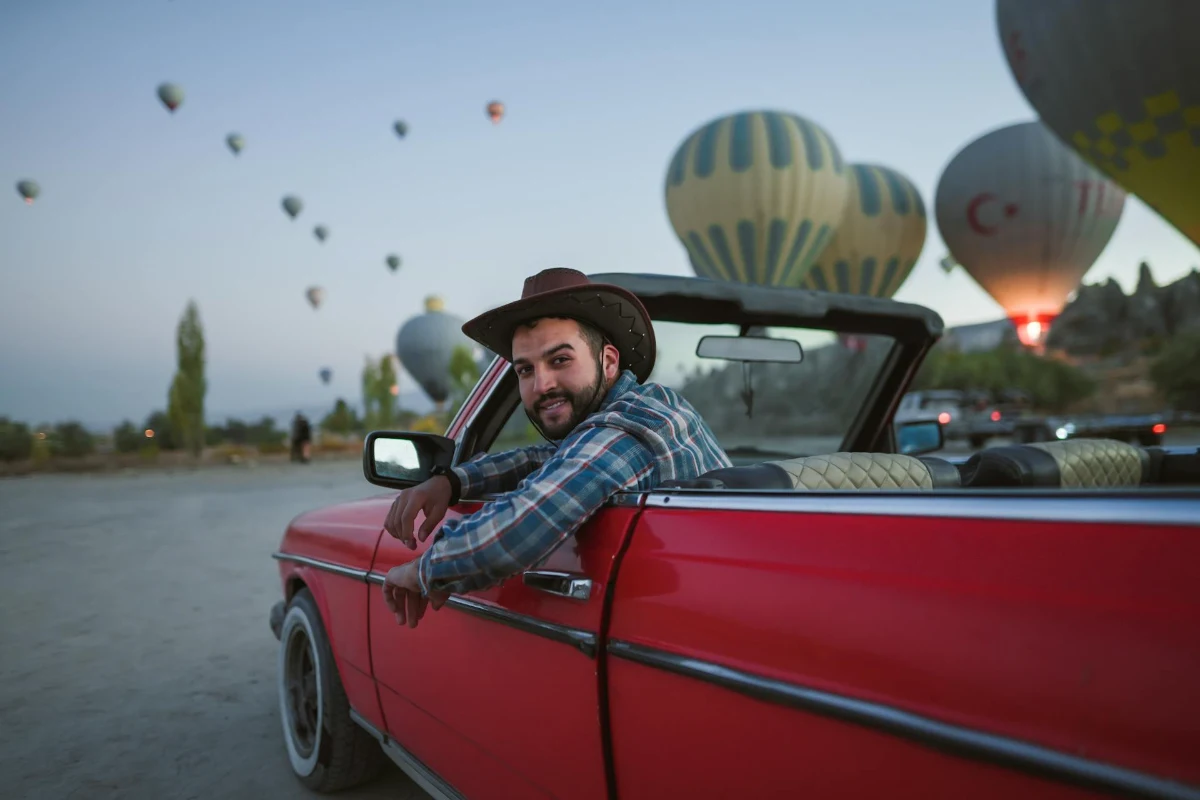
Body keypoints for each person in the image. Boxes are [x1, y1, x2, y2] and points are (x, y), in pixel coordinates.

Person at [381, 267, 731, 628]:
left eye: (560, 360)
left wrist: (423, 569)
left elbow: (519, 530)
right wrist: (452, 481)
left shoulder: (628, 432)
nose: (542, 384)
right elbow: (548, 458)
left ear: (608, 362)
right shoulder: (646, 409)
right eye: (525, 371)